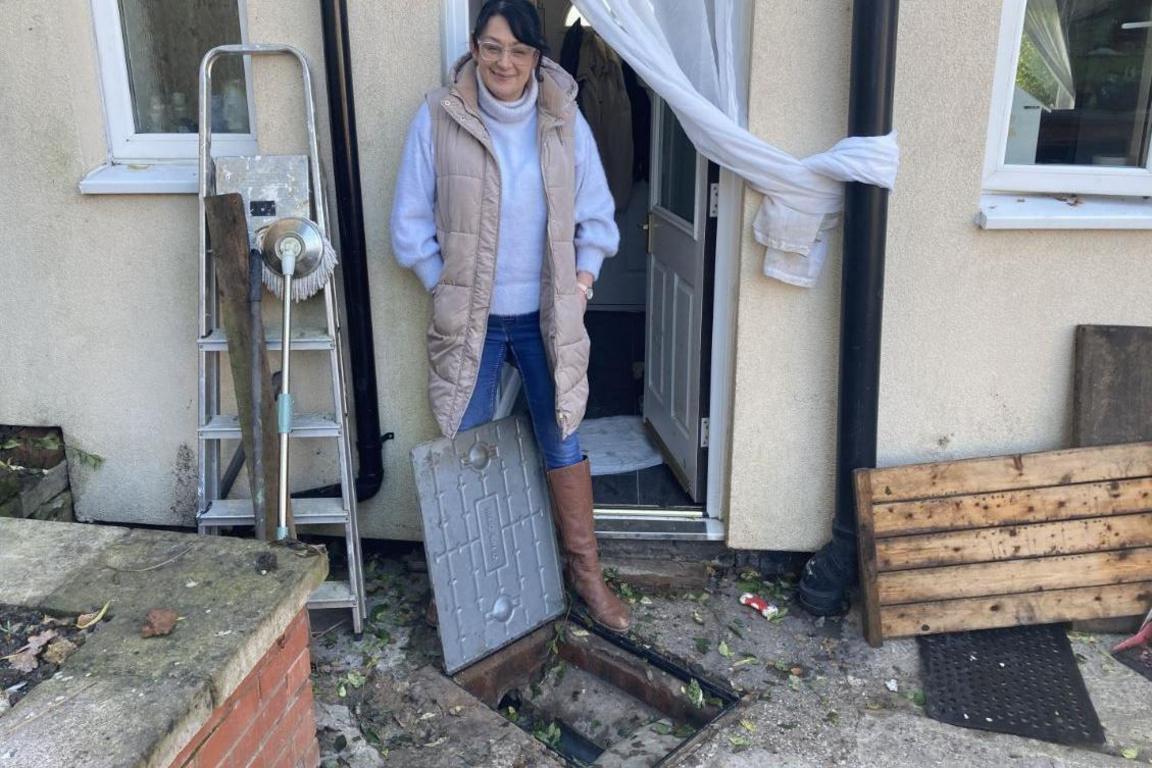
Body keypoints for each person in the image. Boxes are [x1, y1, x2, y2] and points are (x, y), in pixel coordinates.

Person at [390, 0, 630, 632]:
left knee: (563, 440)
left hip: (545, 317)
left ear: (537, 57)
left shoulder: (562, 119)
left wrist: (580, 284)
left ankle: (587, 579)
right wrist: (444, 287)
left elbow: (596, 214)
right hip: (472, 321)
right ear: (474, 47)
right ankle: (458, 587)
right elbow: (409, 224)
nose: (504, 62)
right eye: (492, 47)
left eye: (519, 51)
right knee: (462, 449)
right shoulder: (439, 118)